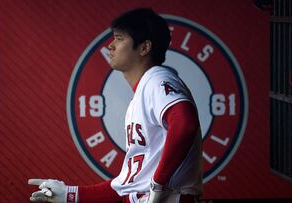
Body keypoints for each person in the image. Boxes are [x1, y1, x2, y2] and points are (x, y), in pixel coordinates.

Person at [29, 8, 202, 203]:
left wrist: (159, 182)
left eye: (119, 38)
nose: (111, 46)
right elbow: (127, 186)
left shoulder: (157, 78)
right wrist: (70, 194)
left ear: (144, 48)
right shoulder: (142, 92)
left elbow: (184, 123)